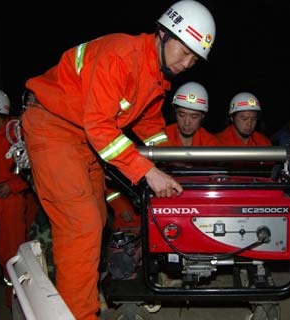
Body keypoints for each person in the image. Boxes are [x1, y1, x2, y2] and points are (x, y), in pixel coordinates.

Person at [21, 1, 216, 319]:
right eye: (185, 51)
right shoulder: (122, 55)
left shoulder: (156, 76)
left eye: (195, 58)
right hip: (52, 127)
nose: (187, 62)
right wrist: (149, 172)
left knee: (97, 219)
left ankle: (79, 291)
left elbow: (149, 124)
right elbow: (99, 125)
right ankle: (80, 313)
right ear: (163, 34)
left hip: (82, 139)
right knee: (81, 226)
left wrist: (171, 163)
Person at [0, 87, 30, 309]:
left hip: (11, 202)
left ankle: (16, 309)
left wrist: (12, 186)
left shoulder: (16, 132)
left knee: (12, 258)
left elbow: (33, 170)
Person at [164, 81, 220, 147]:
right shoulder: (162, 136)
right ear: (175, 112)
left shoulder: (210, 142)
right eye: (181, 115)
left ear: (203, 116)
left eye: (194, 117)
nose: (187, 123)